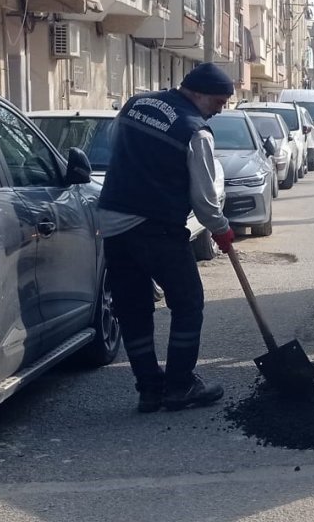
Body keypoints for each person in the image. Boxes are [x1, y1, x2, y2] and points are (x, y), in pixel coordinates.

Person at [98, 63, 238, 413]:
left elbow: (121, 154)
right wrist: (222, 230)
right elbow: (205, 201)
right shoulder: (195, 131)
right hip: (157, 226)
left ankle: (149, 389)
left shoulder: (135, 105)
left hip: (114, 222)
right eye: (219, 102)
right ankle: (179, 385)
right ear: (199, 93)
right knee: (188, 303)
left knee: (133, 309)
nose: (220, 109)